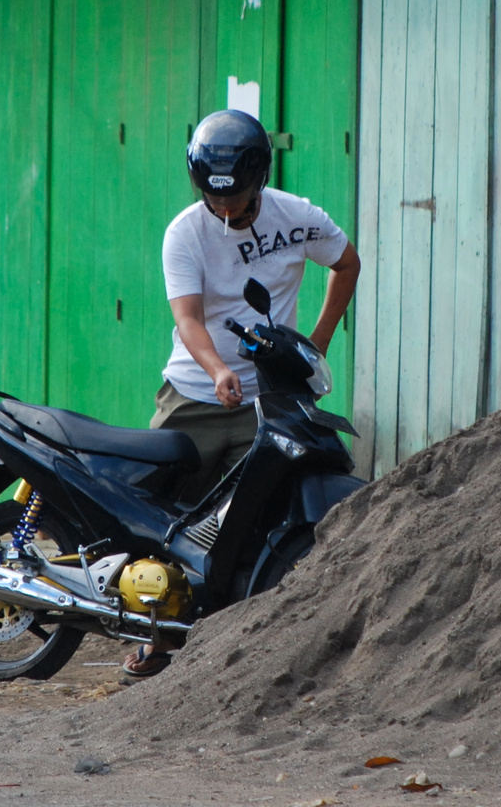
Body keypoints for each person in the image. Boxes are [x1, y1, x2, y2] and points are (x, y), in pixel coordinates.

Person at [122, 109, 361, 677]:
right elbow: (188, 317)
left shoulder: (297, 217)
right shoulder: (184, 232)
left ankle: (241, 644)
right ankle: (153, 638)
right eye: (215, 198)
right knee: (163, 519)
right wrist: (215, 371)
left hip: (273, 403)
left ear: (260, 181)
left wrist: (316, 345)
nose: (227, 210)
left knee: (260, 521)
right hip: (195, 399)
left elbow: (346, 263)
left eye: (239, 199)